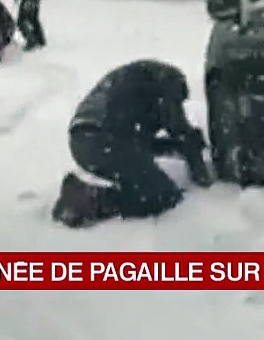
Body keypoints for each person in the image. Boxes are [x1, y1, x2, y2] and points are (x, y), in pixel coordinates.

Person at [51, 59, 214, 228]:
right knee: (163, 196)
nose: (180, 107)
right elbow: (178, 130)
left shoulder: (135, 82)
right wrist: (200, 171)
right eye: (180, 102)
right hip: (106, 139)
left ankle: (90, 196)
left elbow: (142, 144)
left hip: (82, 140)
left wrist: (175, 145)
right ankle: (85, 199)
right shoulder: (168, 84)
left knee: (140, 179)